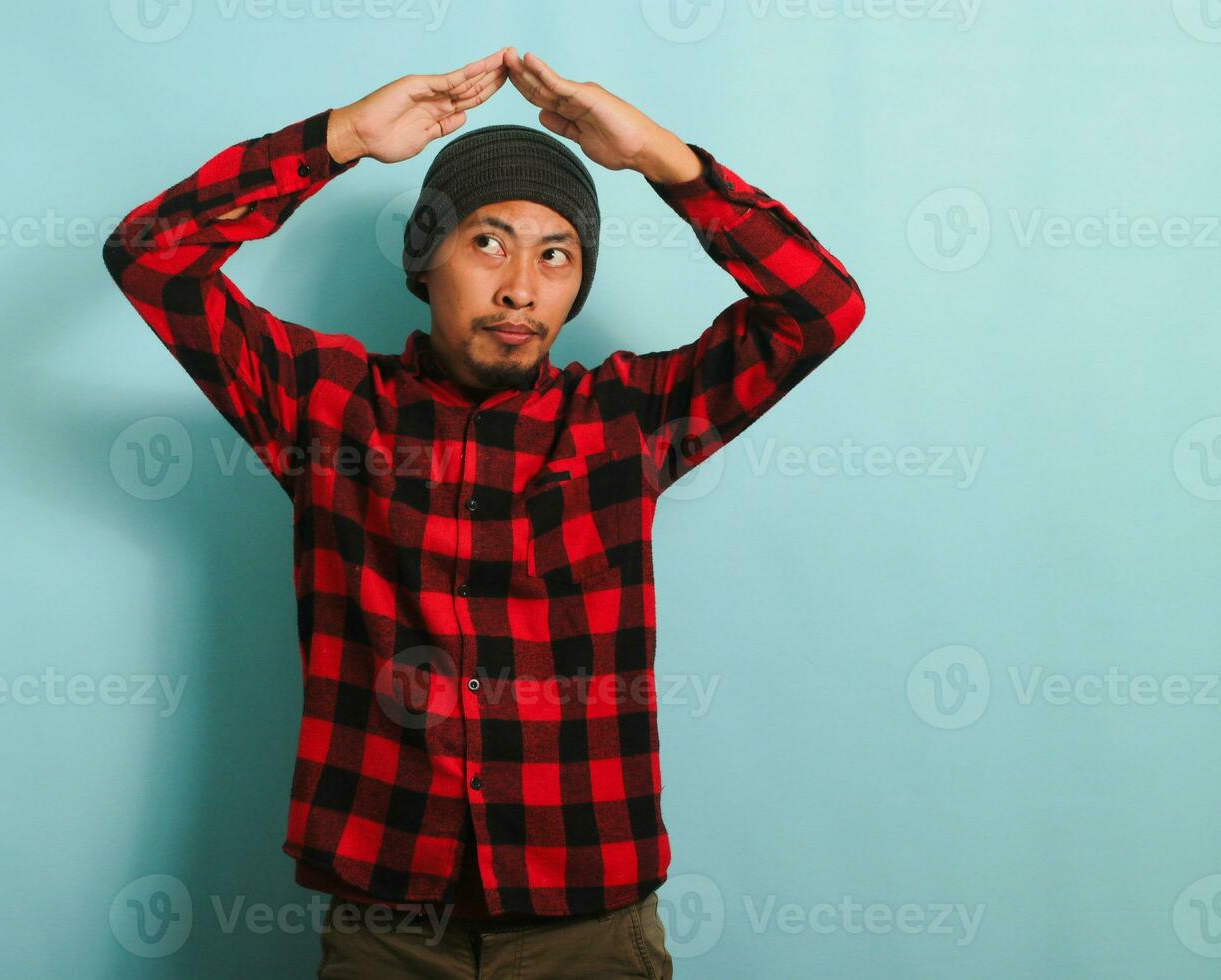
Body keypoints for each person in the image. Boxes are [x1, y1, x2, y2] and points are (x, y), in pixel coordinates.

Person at [103, 45, 864, 978]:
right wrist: (338, 139)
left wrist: (664, 161)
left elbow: (821, 307)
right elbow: (151, 257)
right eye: (489, 242)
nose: (519, 288)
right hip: (387, 924)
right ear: (427, 258)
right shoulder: (324, 406)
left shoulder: (627, 420)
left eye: (557, 256)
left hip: (587, 925)